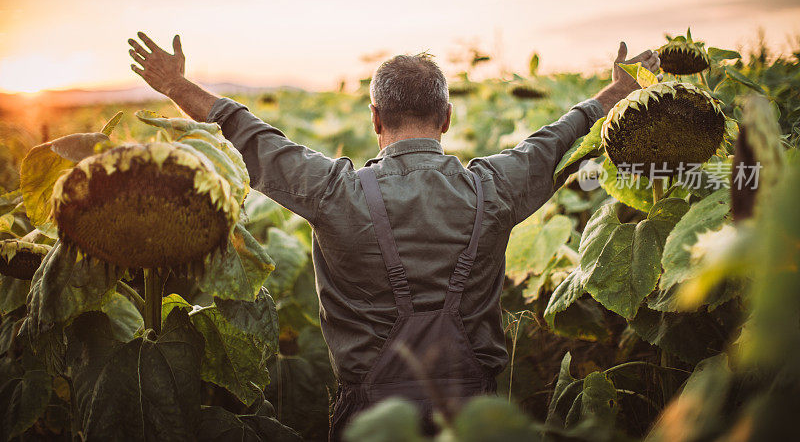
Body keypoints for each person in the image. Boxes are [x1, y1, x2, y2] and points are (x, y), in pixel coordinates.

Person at [128, 33, 660, 440]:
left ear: (375, 118)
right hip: (475, 418)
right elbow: (563, 138)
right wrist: (619, 89)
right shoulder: (493, 189)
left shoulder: (334, 193)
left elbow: (249, 136)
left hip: (372, 421)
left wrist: (176, 86)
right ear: (447, 117)